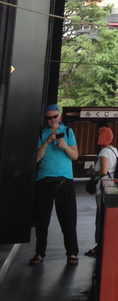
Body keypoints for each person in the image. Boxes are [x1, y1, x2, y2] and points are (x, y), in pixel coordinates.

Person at [29, 104, 79, 266]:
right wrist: (46, 142)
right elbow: (36, 158)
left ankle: (72, 253)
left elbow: (75, 156)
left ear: (59, 116)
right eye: (48, 118)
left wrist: (64, 146)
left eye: (54, 117)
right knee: (42, 220)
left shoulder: (68, 132)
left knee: (68, 219)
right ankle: (39, 253)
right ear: (45, 119)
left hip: (65, 181)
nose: (52, 120)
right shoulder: (41, 134)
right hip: (44, 180)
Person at [85, 126, 118, 258]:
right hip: (112, 185)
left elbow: (104, 170)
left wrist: (93, 173)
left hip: (103, 186)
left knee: (101, 217)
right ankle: (106, 244)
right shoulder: (114, 150)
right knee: (107, 216)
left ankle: (100, 245)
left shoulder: (104, 152)